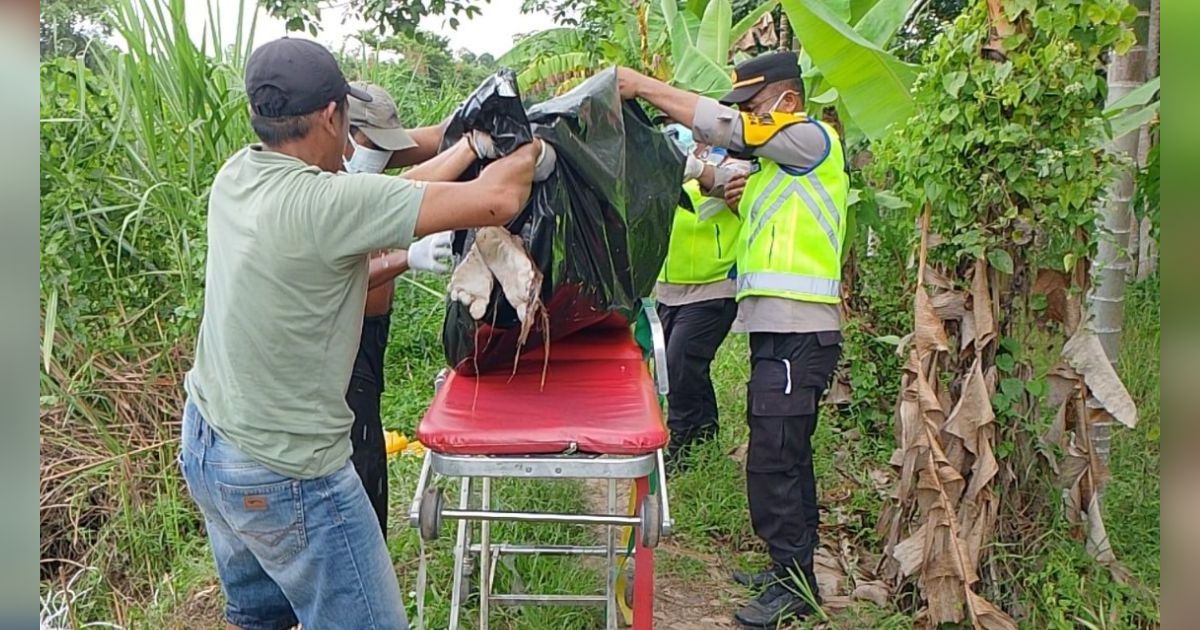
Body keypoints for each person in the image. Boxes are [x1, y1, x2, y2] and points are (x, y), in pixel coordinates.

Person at [179, 37, 552, 630]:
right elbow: (501, 197)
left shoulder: (238, 175)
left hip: (209, 445)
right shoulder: (326, 203)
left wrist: (465, 147)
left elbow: (388, 197)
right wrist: (532, 147)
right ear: (332, 117)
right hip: (287, 471)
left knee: (261, 618)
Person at [618, 50, 848, 628]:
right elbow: (719, 174)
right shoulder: (779, 167)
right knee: (785, 454)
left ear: (788, 102)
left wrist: (641, 85)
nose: (746, 117)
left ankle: (794, 588)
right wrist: (685, 164)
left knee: (774, 457)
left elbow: (727, 130)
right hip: (778, 330)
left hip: (801, 331)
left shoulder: (809, 140)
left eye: (754, 106)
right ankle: (789, 570)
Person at [339, 81, 463, 536]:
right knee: (357, 455)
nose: (379, 154)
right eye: (371, 143)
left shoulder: (363, 164)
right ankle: (361, 557)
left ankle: (369, 549)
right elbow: (339, 280)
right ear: (340, 129)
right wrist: (407, 258)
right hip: (343, 339)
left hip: (371, 333)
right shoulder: (326, 189)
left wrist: (476, 128)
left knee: (367, 438)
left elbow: (435, 139)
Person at [657, 123, 743, 470]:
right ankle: (704, 439)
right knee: (683, 367)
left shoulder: (734, 162)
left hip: (714, 283)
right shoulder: (670, 161)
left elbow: (726, 188)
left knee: (681, 362)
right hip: (669, 286)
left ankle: (681, 444)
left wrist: (695, 169)